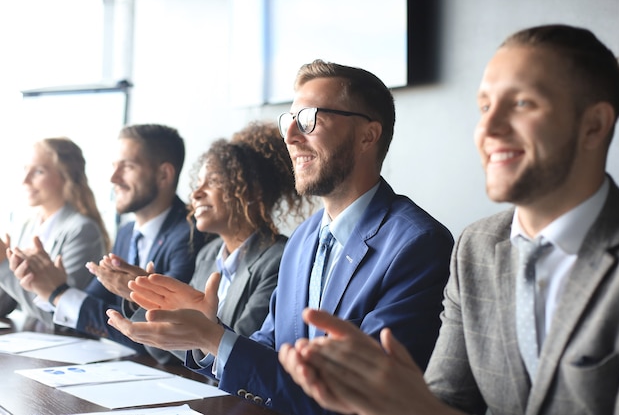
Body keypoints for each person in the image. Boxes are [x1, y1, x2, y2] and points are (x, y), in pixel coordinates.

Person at [279, 24, 619, 415]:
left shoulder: (420, 242)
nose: (487, 129)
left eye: (524, 103)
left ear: (594, 125)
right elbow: (447, 401)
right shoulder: (476, 248)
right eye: (484, 107)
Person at [107, 59, 454, 415]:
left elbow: (361, 396)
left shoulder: (418, 246)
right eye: (289, 121)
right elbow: (270, 349)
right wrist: (207, 332)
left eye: (309, 119)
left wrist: (213, 339)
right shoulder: (302, 240)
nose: (290, 136)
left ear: (368, 135)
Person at [124, 121, 311, 363]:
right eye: (198, 183)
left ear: (252, 191)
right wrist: (148, 303)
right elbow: (166, 352)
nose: (196, 193)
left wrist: (187, 332)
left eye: (212, 182)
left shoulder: (279, 259)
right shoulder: (207, 253)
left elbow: (236, 349)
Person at [12, 124, 205, 352]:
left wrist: (59, 293)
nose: (113, 178)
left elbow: (161, 333)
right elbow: (94, 307)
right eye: (114, 166)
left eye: (128, 167)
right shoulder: (126, 232)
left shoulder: (191, 235)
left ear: (164, 174)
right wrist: (55, 290)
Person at [0, 137, 109, 326]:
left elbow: (62, 314)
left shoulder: (82, 230)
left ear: (65, 177)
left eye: (39, 171)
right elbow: (8, 300)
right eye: (26, 169)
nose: (25, 180)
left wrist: (2, 263)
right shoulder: (26, 226)